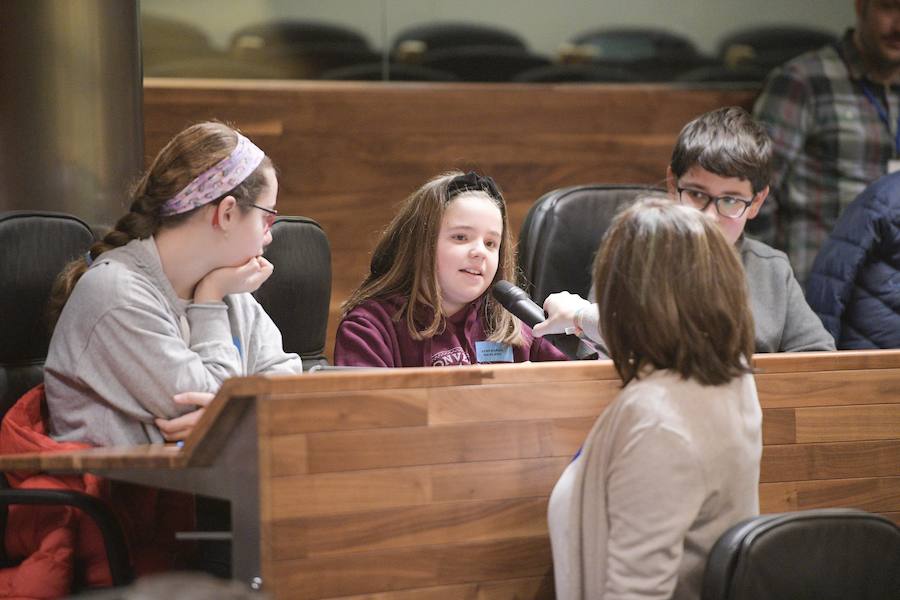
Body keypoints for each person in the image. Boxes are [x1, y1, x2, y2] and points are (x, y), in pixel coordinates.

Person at [547, 197, 763, 600]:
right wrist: (578, 314)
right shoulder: (730, 370)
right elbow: (662, 330)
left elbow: (636, 592)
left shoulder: (658, 422)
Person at [43, 121, 303, 447]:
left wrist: (246, 413)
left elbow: (287, 380)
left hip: (201, 489)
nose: (269, 235)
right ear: (226, 214)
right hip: (121, 493)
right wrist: (208, 302)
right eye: (267, 217)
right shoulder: (116, 294)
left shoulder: (226, 286)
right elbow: (205, 404)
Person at [534, 106, 835, 354]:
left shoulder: (772, 270)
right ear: (671, 183)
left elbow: (817, 366)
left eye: (730, 200)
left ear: (756, 202)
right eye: (697, 195)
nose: (709, 216)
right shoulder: (632, 257)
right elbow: (596, 355)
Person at [334, 171, 568, 367]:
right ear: (421, 244)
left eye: (490, 243)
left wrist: (577, 327)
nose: (479, 252)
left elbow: (585, 387)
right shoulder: (369, 327)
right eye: (460, 237)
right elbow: (367, 416)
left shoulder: (514, 324)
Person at [753, 0, 900, 284]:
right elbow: (755, 190)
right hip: (820, 287)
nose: (899, 26)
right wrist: (769, 288)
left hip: (889, 295)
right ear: (861, 7)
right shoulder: (804, 81)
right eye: (889, 7)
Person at [806, 170, 900, 348]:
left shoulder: (884, 197)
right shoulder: (884, 199)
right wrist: (825, 359)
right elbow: (832, 278)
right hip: (871, 358)